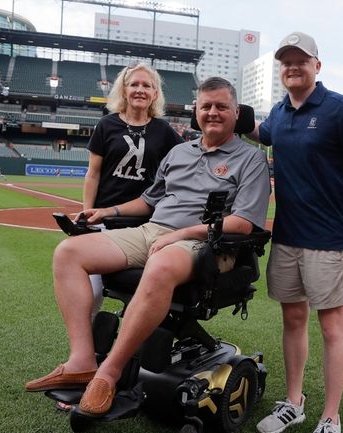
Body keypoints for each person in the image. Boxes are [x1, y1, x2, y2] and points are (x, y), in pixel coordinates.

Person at [24, 78, 271, 418]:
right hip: (153, 231)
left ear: (236, 112)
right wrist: (107, 212)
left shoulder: (252, 159)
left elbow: (243, 223)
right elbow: (148, 200)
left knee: (163, 262)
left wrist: (181, 234)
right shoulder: (179, 151)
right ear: (196, 111)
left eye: (221, 107)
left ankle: (108, 373)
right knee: (69, 253)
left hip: (210, 245)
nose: (213, 112)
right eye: (206, 106)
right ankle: (82, 361)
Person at [248, 32, 343, 433]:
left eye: (301, 60)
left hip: (329, 240)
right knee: (292, 320)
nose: (292, 66)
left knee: (332, 327)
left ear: (316, 66)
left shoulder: (339, 108)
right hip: (287, 237)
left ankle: (330, 416)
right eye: (285, 61)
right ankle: (294, 402)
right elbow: (261, 132)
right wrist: (223, 112)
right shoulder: (280, 113)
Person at [83, 62, 183, 318]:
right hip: (105, 221)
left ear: (155, 94)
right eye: (134, 84)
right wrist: (88, 214)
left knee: (142, 290)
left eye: (147, 85)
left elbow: (186, 159)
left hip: (147, 224)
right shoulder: (106, 125)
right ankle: (88, 349)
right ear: (124, 90)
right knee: (92, 292)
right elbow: (93, 173)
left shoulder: (163, 130)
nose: (140, 89)